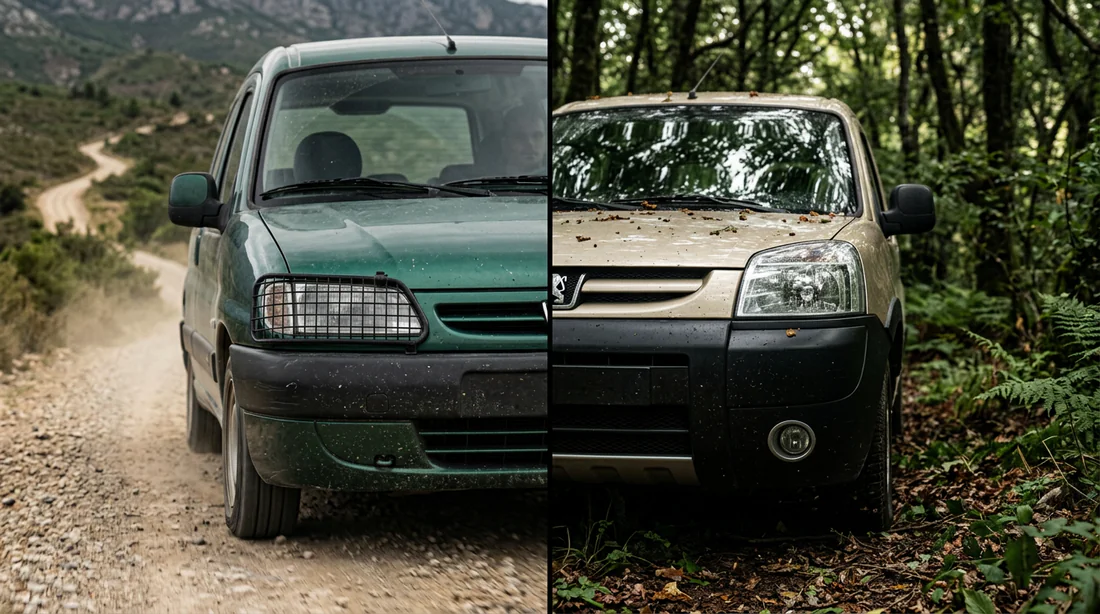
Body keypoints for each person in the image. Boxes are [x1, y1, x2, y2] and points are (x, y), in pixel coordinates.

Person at [497, 105, 547, 176]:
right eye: (520, 137)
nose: (530, 143)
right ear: (505, 145)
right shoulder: (487, 178)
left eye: (537, 136)